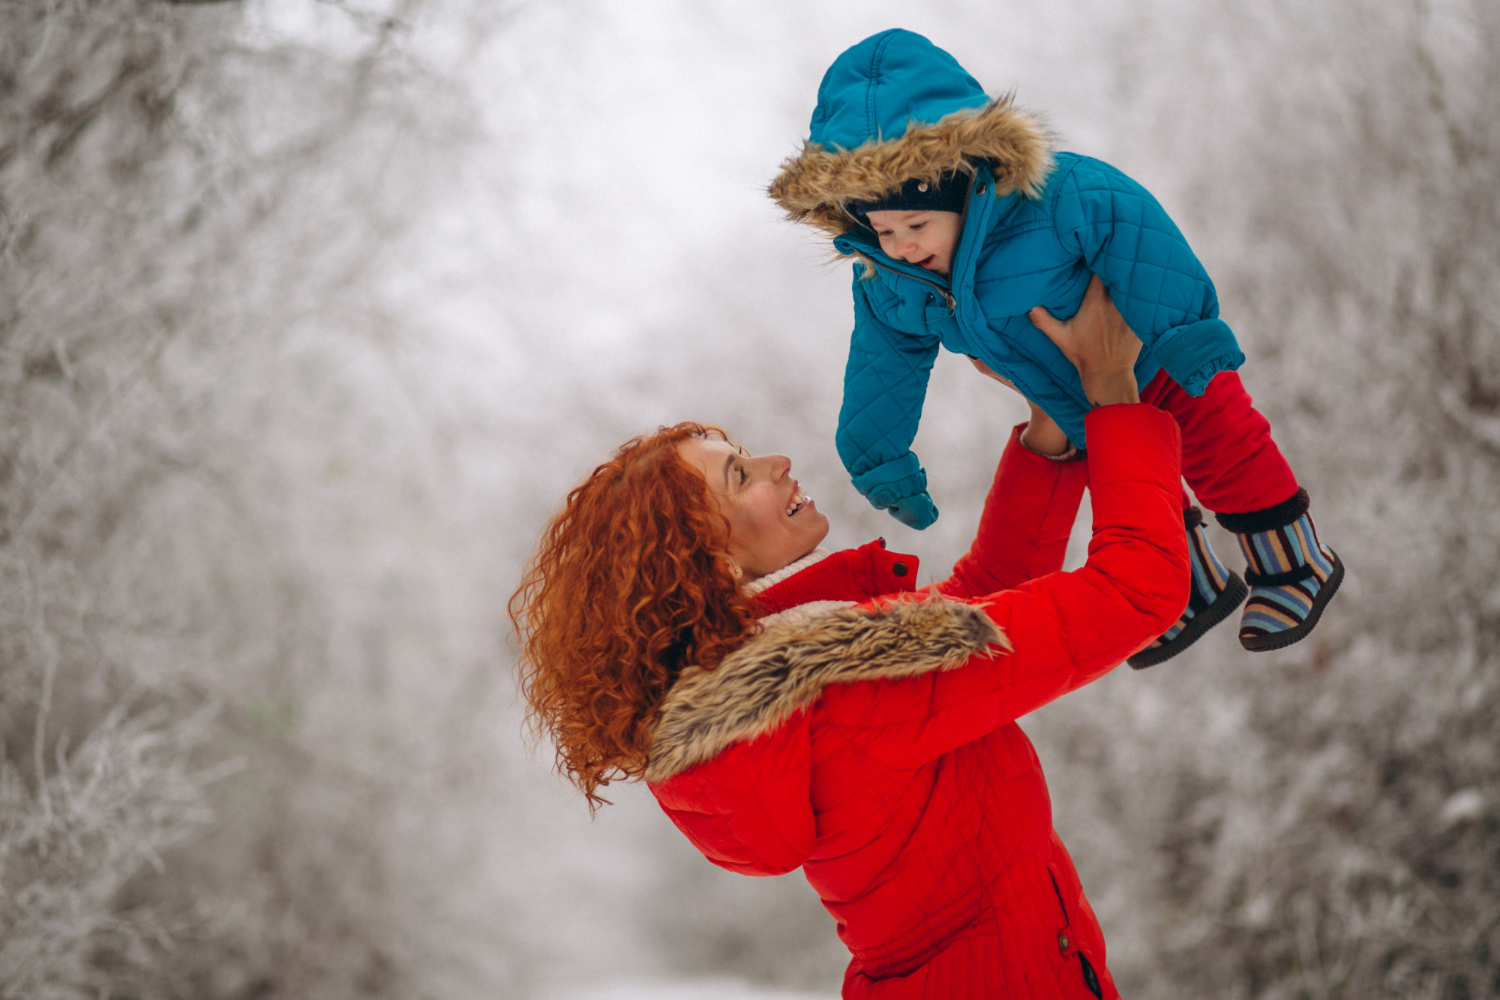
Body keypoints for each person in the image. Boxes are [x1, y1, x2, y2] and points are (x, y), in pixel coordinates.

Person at [511, 280, 1186, 999]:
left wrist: (1054, 412)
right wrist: (1111, 384)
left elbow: (988, 596)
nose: (777, 463)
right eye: (741, 475)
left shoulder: (786, 685)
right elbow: (1138, 588)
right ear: (703, 556)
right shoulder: (837, 693)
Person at [767, 28, 1342, 664]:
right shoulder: (893, 280)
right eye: (882, 229)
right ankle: (1190, 589)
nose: (901, 244)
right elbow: (881, 364)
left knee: (1226, 457)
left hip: (1163, 360)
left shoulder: (1061, 195)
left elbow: (1140, 238)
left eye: (916, 224)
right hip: (1074, 399)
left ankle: (1294, 565)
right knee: (1132, 489)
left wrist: (1187, 335)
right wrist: (879, 457)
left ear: (964, 185)